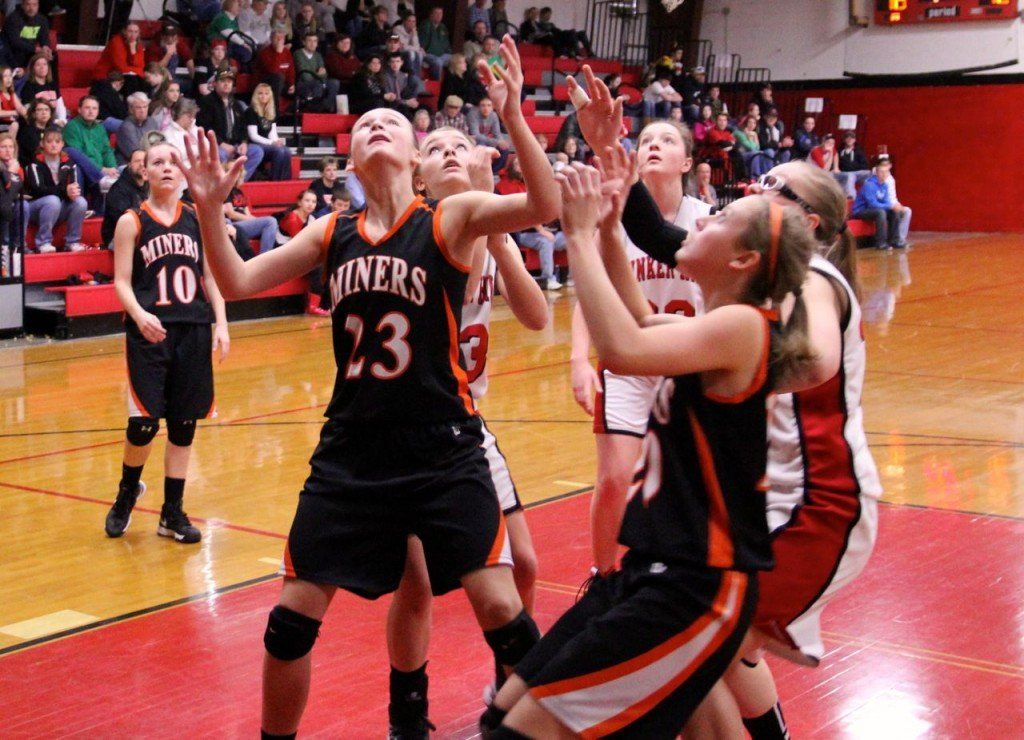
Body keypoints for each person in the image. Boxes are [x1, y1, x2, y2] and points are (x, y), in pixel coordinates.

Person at [176, 36, 558, 738]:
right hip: (351, 451)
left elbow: (544, 200)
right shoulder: (332, 231)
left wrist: (514, 118)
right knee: (288, 626)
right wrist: (207, 211)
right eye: (362, 127)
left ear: (415, 157)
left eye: (391, 122)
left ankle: (535, 730)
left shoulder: (449, 218)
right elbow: (235, 281)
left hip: (443, 449)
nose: (375, 124)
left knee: (504, 612)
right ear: (350, 161)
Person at [482, 154, 816, 738]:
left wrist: (581, 235)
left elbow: (622, 348)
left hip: (697, 584)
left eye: (716, 221)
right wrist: (609, 229)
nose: (699, 223)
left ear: (744, 259)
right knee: (505, 710)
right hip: (655, 569)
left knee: (520, 732)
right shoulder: (713, 328)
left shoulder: (746, 328)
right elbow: (636, 314)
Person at [693, 159, 880, 740]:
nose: (758, 187)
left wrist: (735, 368)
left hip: (819, 503)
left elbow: (817, 359)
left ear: (811, 219)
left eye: (778, 187)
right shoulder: (770, 278)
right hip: (770, 494)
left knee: (690, 642)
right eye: (761, 179)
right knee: (712, 646)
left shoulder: (814, 278)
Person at [385, 125, 548, 739]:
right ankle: (407, 714)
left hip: (468, 425)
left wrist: (497, 229)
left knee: (526, 564)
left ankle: (507, 692)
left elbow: (535, 317)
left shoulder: (484, 228)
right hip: (405, 427)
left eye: (462, 144)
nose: (451, 151)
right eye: (437, 147)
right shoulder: (415, 231)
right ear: (418, 173)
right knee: (416, 582)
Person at [566, 69, 715, 577]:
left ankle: (684, 566)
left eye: (667, 139)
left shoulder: (707, 223)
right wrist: (578, 358)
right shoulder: (618, 213)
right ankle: (604, 575)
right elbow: (594, 292)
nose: (654, 145)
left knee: (690, 479)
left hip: (690, 359)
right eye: (646, 138)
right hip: (630, 361)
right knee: (614, 479)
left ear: (688, 161)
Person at [104, 141, 230, 545]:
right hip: (149, 330)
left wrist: (222, 323)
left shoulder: (197, 218)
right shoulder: (132, 221)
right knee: (143, 424)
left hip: (192, 328)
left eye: (173, 162)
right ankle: (127, 492)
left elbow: (212, 277)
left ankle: (171, 513)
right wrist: (139, 315)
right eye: (156, 162)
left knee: (183, 424)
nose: (166, 169)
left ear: (183, 171)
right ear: (144, 171)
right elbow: (121, 281)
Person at [24, 127, 88, 253]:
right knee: (52, 201)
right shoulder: (34, 163)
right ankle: (43, 241)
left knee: (81, 202)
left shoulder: (69, 163)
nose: (54, 145)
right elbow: (38, 190)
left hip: (59, 208)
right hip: (36, 208)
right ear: (42, 144)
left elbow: (74, 187)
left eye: (57, 142)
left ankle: (72, 241)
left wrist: (73, 193)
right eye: (49, 141)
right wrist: (65, 191)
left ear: (62, 144)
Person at [198, 70, 264, 181]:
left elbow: (243, 127)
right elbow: (204, 127)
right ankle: (221, 184)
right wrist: (221, 143)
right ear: (215, 84)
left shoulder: (237, 104)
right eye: (223, 81)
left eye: (229, 81)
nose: (226, 84)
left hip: (235, 145)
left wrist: (244, 142)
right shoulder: (206, 102)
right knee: (220, 154)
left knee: (257, 151)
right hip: (216, 145)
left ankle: (237, 182)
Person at [62, 96, 120, 195]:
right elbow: (79, 156)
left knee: (124, 170)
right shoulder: (72, 127)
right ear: (79, 110)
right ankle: (101, 180)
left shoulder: (100, 128)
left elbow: (107, 151)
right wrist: (101, 169)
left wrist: (113, 168)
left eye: (94, 108)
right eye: (87, 108)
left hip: (103, 170)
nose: (91, 111)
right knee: (72, 152)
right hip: (85, 171)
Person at [224, 168, 280, 255]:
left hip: (244, 225)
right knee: (270, 221)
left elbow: (247, 213)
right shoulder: (225, 190)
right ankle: (265, 258)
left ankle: (267, 256)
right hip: (231, 224)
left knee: (271, 222)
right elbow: (231, 214)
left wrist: (254, 220)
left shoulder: (239, 192)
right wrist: (252, 220)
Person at [246, 83, 293, 180]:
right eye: (260, 93)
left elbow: (272, 133)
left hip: (266, 144)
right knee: (279, 151)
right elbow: (253, 136)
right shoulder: (251, 111)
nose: (263, 96)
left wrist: (276, 141)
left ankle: (284, 181)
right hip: (253, 144)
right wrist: (272, 142)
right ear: (256, 95)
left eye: (266, 94)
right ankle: (275, 181)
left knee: (286, 150)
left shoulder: (271, 112)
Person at [852, 157, 901, 250]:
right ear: (877, 172)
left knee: (894, 212)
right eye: (882, 172)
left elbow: (886, 201)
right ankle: (880, 243)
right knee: (881, 213)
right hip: (860, 211)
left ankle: (895, 241)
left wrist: (892, 207)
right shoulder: (869, 184)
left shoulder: (885, 185)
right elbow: (872, 204)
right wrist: (890, 206)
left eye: (886, 172)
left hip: (874, 209)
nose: (884, 174)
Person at [103, 148, 147, 247]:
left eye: (144, 161)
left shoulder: (150, 185)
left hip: (143, 234)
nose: (141, 164)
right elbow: (122, 221)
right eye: (137, 161)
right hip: (117, 238)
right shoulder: (118, 189)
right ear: (129, 165)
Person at [96, 22, 146, 94]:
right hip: (108, 74)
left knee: (146, 83)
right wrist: (134, 71)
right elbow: (119, 65)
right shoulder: (116, 42)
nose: (133, 35)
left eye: (136, 32)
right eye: (130, 31)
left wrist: (133, 50)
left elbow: (140, 65)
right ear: (124, 32)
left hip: (128, 75)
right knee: (132, 80)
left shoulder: (138, 45)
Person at [2, 0, 52, 72]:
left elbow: (44, 38)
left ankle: (50, 83)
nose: (31, 8)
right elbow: (15, 42)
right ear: (22, 5)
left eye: (34, 5)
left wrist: (46, 47)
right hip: (13, 54)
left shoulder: (42, 20)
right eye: (28, 5)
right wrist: (36, 49)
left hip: (30, 53)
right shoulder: (13, 18)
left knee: (51, 58)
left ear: (38, 6)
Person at [146, 22, 195, 94]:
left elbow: (189, 61)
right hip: (157, 79)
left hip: (173, 77)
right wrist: (168, 54)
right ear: (162, 35)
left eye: (173, 35)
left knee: (193, 84)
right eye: (167, 35)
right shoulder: (154, 46)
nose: (170, 38)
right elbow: (155, 70)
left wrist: (194, 78)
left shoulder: (179, 43)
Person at [19, 53, 66, 124]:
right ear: (32, 68)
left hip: (55, 122)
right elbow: (29, 112)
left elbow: (60, 105)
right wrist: (54, 122)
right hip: (38, 123)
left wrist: (62, 120)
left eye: (45, 64)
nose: (42, 67)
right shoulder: (28, 87)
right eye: (38, 65)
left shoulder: (52, 84)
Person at [467, 96, 509, 170]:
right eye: (483, 105)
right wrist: (496, 141)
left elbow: (497, 133)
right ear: (479, 107)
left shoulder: (493, 115)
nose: (486, 108)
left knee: (504, 149)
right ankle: (481, 171)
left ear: (492, 107)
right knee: (482, 147)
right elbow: (475, 135)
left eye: (489, 105)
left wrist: (501, 141)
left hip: (485, 140)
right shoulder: (472, 114)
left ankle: (494, 171)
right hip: (472, 141)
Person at [258, 29, 297, 105]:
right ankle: (275, 112)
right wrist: (278, 53)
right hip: (266, 83)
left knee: (301, 88)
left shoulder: (287, 52)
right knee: (278, 78)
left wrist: (291, 83)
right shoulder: (265, 52)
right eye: (277, 38)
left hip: (282, 84)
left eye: (281, 38)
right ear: (271, 39)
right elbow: (273, 70)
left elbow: (290, 70)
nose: (279, 41)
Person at [117, 92, 158, 164]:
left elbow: (159, 144)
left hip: (151, 161)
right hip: (129, 165)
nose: (142, 111)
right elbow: (137, 154)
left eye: (145, 107)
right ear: (131, 109)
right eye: (138, 107)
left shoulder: (152, 122)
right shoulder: (126, 127)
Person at [881, 156, 912, 248]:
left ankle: (901, 239)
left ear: (890, 166)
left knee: (907, 211)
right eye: (882, 165)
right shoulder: (877, 179)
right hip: (885, 205)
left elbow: (893, 196)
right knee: (896, 211)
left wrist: (898, 204)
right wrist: (892, 205)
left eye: (886, 165)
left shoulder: (891, 179)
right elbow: (882, 197)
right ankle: (895, 239)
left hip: (892, 203)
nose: (885, 167)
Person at [382, 52, 421, 117]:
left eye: (397, 61)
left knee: (423, 109)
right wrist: (406, 102)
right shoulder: (385, 77)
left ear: (402, 63)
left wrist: (411, 101)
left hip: (403, 102)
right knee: (404, 109)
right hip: (391, 104)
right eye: (392, 62)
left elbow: (405, 94)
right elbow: (391, 98)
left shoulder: (403, 76)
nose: (395, 64)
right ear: (389, 63)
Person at [417, 6, 450, 80]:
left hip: (443, 55)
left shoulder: (443, 27)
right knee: (438, 62)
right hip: (429, 54)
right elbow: (421, 44)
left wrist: (448, 53)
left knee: (457, 60)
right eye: (436, 13)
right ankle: (436, 83)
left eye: (440, 13)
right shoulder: (426, 25)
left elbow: (446, 45)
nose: (439, 15)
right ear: (431, 15)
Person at [17, 99, 51, 167]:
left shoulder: (53, 129)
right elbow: (36, 154)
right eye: (40, 110)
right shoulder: (27, 132)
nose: (44, 112)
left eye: (46, 110)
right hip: (32, 166)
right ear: (33, 114)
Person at [735, 113, 771, 179]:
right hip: (740, 156)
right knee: (756, 153)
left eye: (754, 123)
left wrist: (754, 137)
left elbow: (758, 148)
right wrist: (750, 137)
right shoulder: (739, 133)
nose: (752, 125)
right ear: (745, 123)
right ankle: (755, 177)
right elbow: (751, 148)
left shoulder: (754, 133)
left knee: (765, 153)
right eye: (750, 122)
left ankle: (767, 175)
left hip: (751, 154)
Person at [0, 66, 25, 136]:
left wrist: (27, 114)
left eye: (10, 76)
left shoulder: (11, 94)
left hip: (10, 122)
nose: (8, 79)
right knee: (15, 125)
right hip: (2, 123)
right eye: (5, 76)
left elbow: (20, 108)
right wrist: (14, 112)